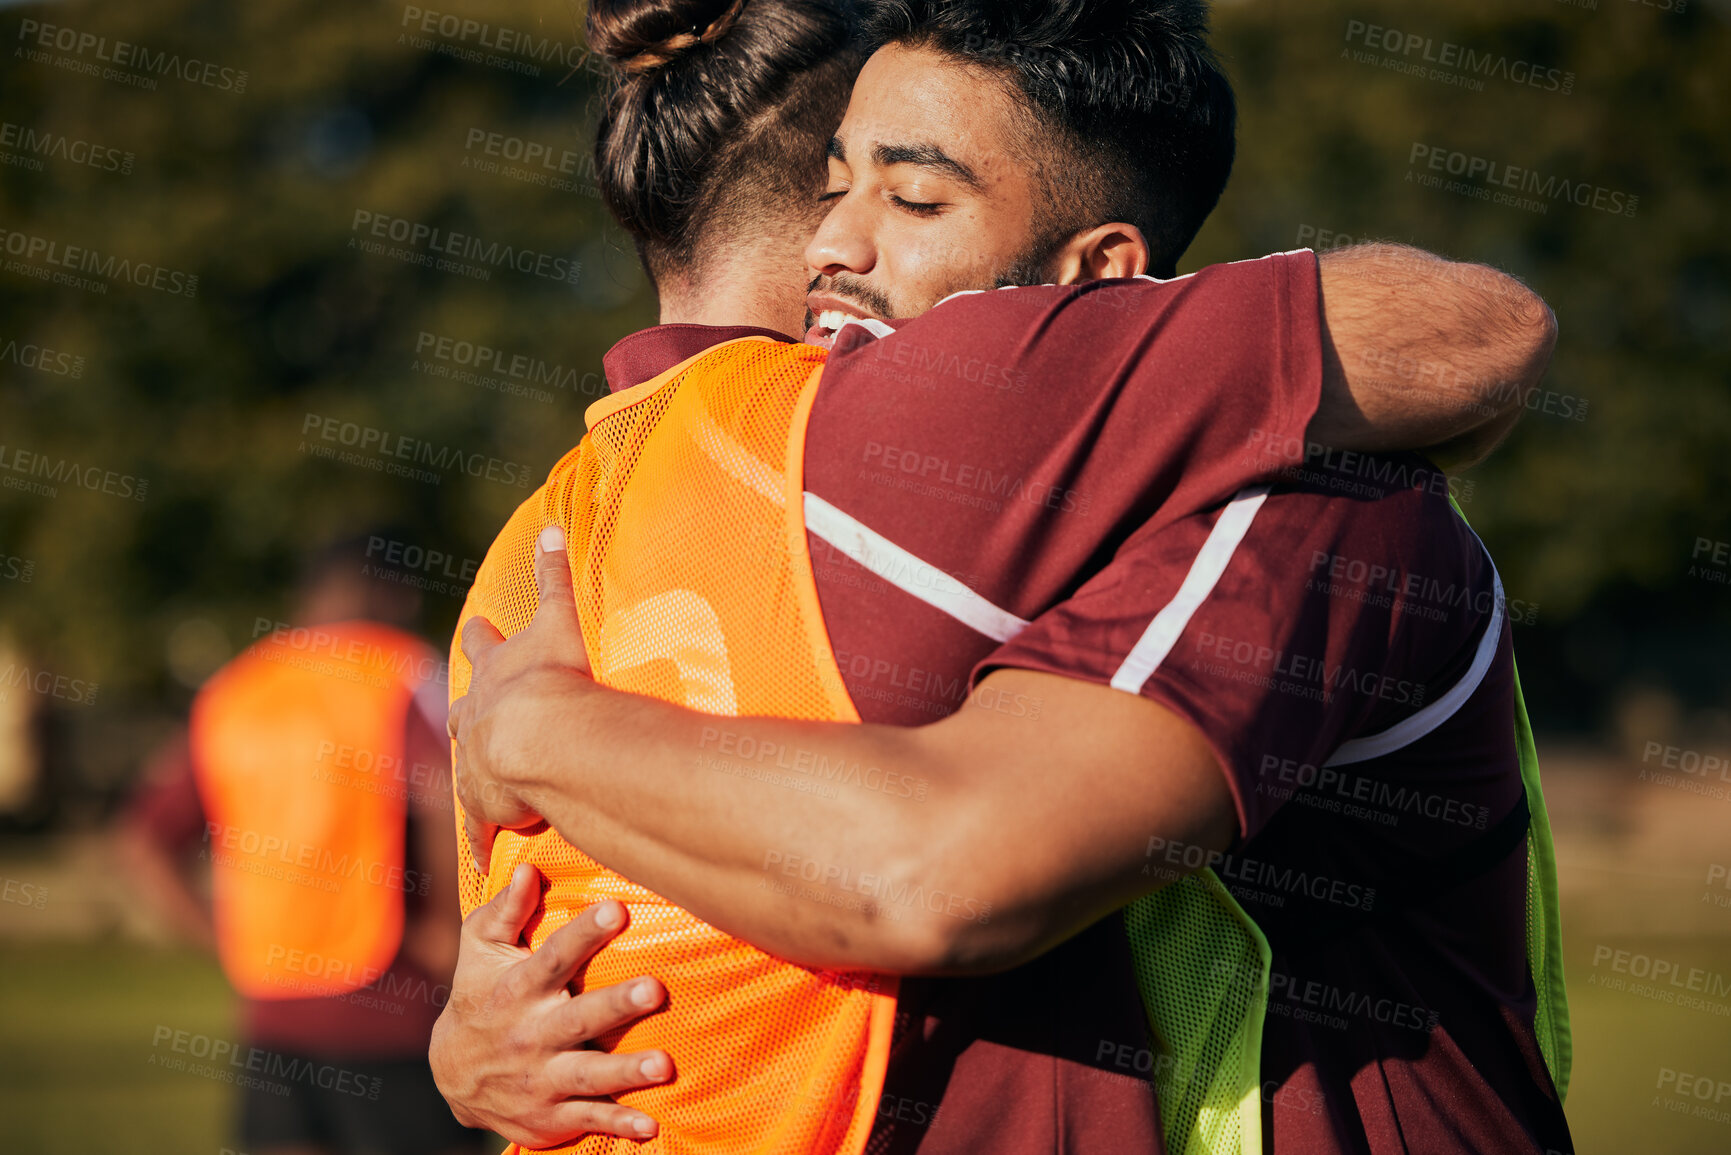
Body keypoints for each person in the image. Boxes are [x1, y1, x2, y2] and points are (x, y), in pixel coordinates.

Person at [434, 1, 1570, 1153]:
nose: (832, 246)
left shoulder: (569, 514)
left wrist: (534, 736)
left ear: (1103, 286)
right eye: (833, 188)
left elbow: (930, 878)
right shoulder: (804, 459)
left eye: (916, 199)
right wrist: (471, 1033)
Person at [119, 536, 487, 1155]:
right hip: (398, 1017)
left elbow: (142, 844)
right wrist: (452, 938)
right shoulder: (402, 671)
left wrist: (224, 943)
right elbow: (444, 796)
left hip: (273, 1024)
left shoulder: (236, 689)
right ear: (395, 593)